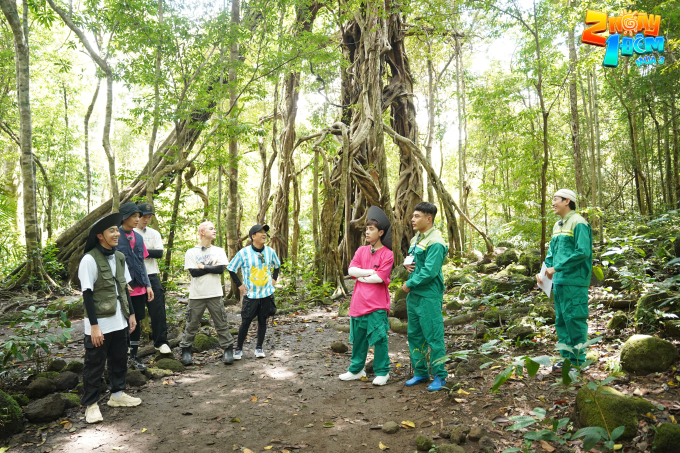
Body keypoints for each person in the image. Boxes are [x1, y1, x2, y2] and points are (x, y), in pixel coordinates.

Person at [78, 212, 142, 424]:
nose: (116, 234)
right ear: (99, 236)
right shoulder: (89, 259)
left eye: (116, 230)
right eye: (111, 231)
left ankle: (117, 395)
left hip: (119, 320)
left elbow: (124, 288)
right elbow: (87, 293)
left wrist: (131, 314)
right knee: (94, 364)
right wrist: (94, 327)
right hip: (99, 324)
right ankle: (91, 405)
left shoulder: (120, 257)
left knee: (119, 359)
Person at [536, 189, 593, 369]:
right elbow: (552, 253)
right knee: (561, 320)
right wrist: (543, 272)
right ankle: (566, 359)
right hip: (559, 281)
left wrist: (557, 268)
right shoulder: (557, 225)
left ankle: (578, 361)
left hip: (575, 280)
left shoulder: (579, 222)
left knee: (575, 318)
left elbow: (583, 252)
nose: (552, 203)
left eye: (555, 199)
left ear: (567, 201)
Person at [339, 206, 394, 386]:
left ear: (381, 232)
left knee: (379, 338)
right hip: (358, 303)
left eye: (371, 229)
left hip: (377, 304)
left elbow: (379, 278)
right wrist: (370, 271)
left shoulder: (388, 254)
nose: (367, 232)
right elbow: (351, 270)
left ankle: (382, 372)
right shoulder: (361, 251)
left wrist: (363, 275)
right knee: (359, 338)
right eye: (366, 229)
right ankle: (356, 369)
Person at [402, 202, 448, 392]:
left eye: (417, 216)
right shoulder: (415, 239)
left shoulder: (436, 241)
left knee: (433, 335)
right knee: (415, 335)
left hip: (428, 295)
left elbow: (430, 271)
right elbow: (415, 261)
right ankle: (420, 372)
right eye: (413, 216)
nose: (412, 219)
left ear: (429, 218)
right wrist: (407, 265)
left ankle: (440, 376)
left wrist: (409, 283)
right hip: (414, 296)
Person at [180, 221, 235, 365]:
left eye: (215, 228)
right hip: (197, 295)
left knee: (221, 323)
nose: (214, 230)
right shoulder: (191, 252)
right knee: (191, 324)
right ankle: (186, 350)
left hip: (215, 293)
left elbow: (220, 269)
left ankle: (228, 349)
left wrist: (203, 266)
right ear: (202, 232)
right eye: (211, 228)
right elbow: (194, 273)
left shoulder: (219, 251)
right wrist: (211, 267)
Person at [227, 224, 281, 360]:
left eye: (265, 232)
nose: (264, 234)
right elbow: (231, 268)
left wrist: (274, 279)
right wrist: (239, 285)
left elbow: (277, 265)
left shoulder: (270, 251)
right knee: (246, 321)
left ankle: (259, 348)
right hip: (251, 294)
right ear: (253, 236)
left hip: (266, 293)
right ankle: (238, 349)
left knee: (263, 320)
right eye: (260, 232)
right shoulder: (244, 253)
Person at [116, 203, 154, 371]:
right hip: (122, 289)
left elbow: (141, 263)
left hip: (139, 287)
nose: (138, 219)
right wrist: (121, 283)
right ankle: (120, 357)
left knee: (137, 321)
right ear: (125, 217)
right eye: (135, 216)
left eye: (139, 216)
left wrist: (148, 284)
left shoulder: (138, 237)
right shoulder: (114, 235)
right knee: (122, 322)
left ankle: (134, 356)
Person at [134, 203, 171, 355]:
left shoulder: (153, 233)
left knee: (158, 309)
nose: (146, 220)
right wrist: (148, 252)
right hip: (134, 276)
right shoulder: (128, 233)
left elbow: (159, 253)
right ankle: (132, 346)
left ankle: (161, 342)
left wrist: (138, 250)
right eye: (144, 217)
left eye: (149, 217)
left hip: (152, 274)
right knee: (135, 311)